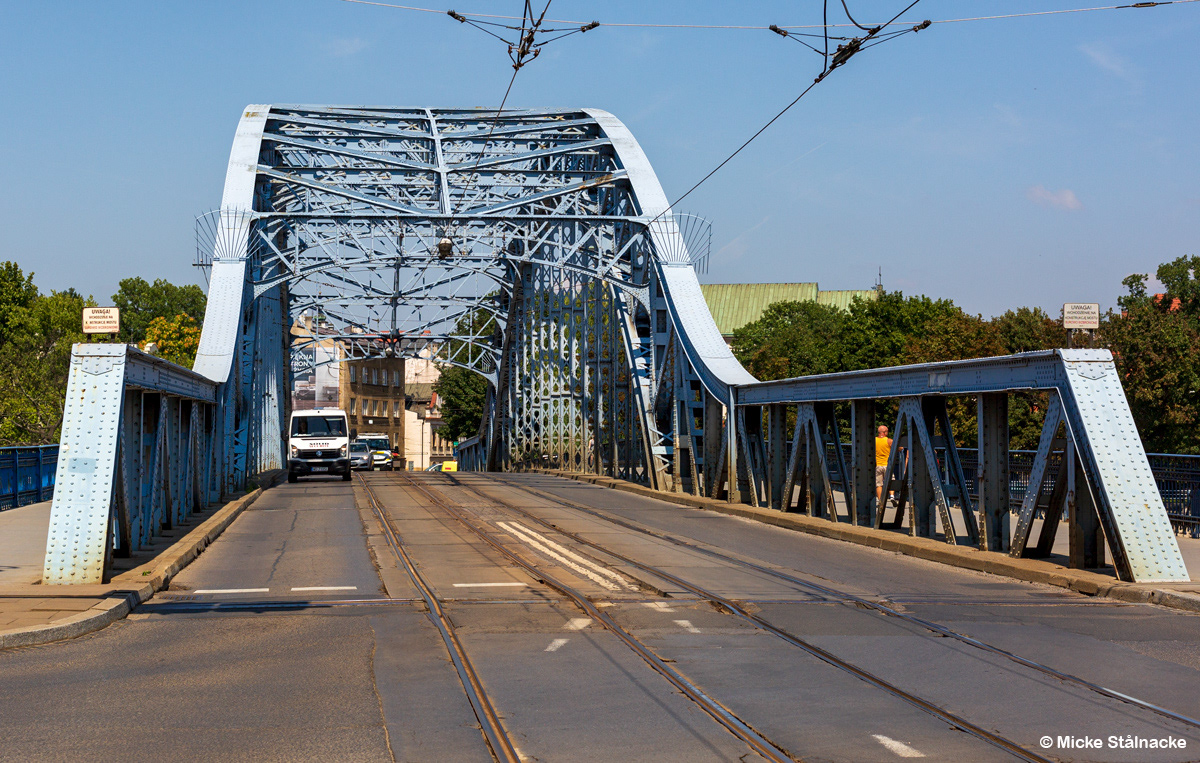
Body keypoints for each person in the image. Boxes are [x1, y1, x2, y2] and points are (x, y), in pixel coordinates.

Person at [875, 425, 893, 504]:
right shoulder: (889, 441)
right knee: (890, 481)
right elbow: (900, 448)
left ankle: (880, 500)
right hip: (887, 465)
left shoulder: (874, 440)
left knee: (879, 484)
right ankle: (892, 496)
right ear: (885, 432)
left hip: (877, 465)